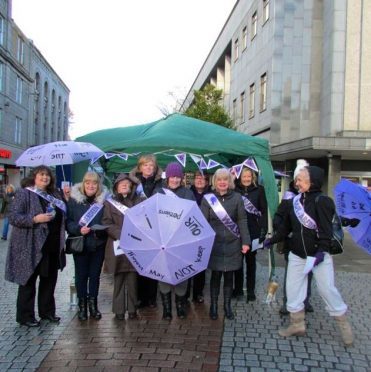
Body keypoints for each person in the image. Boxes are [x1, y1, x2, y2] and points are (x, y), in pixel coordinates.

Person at [265, 165, 354, 346]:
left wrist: (321, 251)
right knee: (293, 289)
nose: (296, 183)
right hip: (297, 255)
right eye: (297, 179)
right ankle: (297, 324)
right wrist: (272, 240)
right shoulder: (294, 202)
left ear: (311, 181)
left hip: (318, 256)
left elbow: (326, 231)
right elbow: (285, 229)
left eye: (300, 179)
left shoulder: (323, 201)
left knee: (327, 289)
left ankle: (344, 327)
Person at [5, 166, 66, 327]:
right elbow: (13, 217)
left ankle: (47, 312)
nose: (45, 178)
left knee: (49, 281)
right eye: (42, 175)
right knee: (28, 281)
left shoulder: (55, 194)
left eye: (47, 175)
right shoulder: (25, 193)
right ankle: (25, 316)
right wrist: (34, 219)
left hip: (51, 246)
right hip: (30, 245)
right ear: (34, 177)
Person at [201, 168, 251, 320]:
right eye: (219, 180)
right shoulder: (207, 199)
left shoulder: (237, 198)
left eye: (225, 180)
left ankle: (227, 306)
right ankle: (214, 306)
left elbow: (242, 220)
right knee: (215, 276)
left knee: (229, 276)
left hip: (233, 243)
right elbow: (202, 222)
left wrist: (246, 241)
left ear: (229, 182)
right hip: (214, 244)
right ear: (214, 182)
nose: (222, 182)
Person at [155, 162, 196, 320]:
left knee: (181, 274)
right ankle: (166, 308)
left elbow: (193, 215)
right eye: (173, 176)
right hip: (163, 241)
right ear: (168, 177)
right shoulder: (159, 192)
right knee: (164, 274)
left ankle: (180, 306)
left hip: (181, 241)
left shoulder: (188, 194)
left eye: (178, 177)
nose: (175, 180)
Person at [66, 171, 109, 321]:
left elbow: (107, 220)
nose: (91, 185)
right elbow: (68, 222)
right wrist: (78, 229)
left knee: (95, 276)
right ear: (83, 184)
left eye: (94, 183)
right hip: (81, 244)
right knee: (81, 276)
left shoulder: (104, 201)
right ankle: (82, 306)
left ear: (98, 185)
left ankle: (93, 306)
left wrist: (102, 229)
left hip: (98, 244)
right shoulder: (74, 200)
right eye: (88, 182)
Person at [102, 174, 142, 320]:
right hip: (117, 245)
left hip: (134, 245)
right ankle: (118, 311)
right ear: (116, 187)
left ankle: (132, 309)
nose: (125, 185)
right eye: (122, 183)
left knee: (132, 279)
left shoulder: (138, 201)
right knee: (118, 279)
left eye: (127, 184)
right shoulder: (109, 203)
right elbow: (106, 223)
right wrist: (121, 234)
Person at [274, 179, 314, 315]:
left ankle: (305, 300)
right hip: (292, 243)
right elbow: (278, 218)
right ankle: (288, 302)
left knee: (308, 272)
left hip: (311, 244)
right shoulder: (289, 197)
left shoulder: (314, 198)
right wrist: (285, 231)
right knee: (291, 275)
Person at [129, 154, 163, 309]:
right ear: (140, 167)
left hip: (155, 227)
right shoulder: (132, 183)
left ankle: (151, 297)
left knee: (154, 262)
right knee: (140, 262)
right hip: (138, 226)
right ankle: (140, 297)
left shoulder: (160, 183)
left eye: (151, 165)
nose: (149, 168)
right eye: (146, 165)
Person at [233, 167, 268, 302]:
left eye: (249, 176)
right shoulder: (235, 190)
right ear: (240, 177)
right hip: (237, 232)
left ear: (252, 177)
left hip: (253, 232)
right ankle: (238, 289)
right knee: (238, 263)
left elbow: (264, 212)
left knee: (251, 263)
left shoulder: (259, 190)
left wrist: (263, 231)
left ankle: (251, 291)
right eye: (244, 176)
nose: (246, 179)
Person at [186, 171, 211, 303]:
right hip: (188, 234)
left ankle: (198, 293)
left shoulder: (212, 196)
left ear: (207, 182)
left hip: (204, 235)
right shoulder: (187, 193)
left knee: (200, 265)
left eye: (203, 178)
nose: (200, 180)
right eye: (197, 178)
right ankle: (185, 293)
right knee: (187, 263)